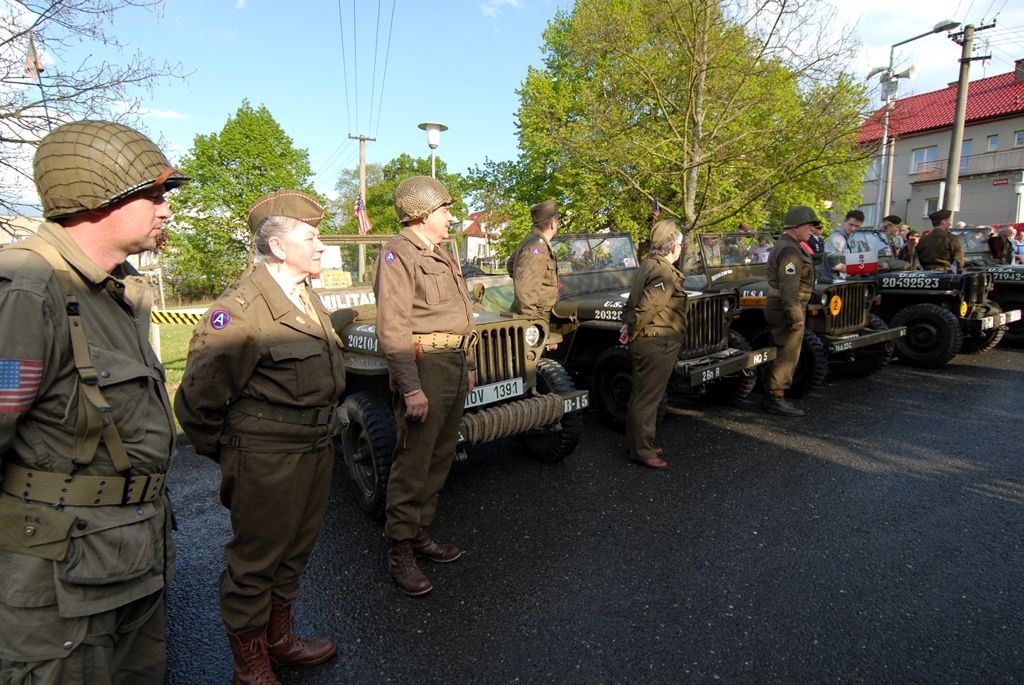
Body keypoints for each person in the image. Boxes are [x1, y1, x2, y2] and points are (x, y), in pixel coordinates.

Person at [0, 120, 188, 683]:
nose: (166, 210)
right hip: (58, 592)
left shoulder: (119, 291)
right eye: (153, 195)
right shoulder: (29, 290)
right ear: (99, 199)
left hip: (130, 559)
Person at [174, 190, 346, 683]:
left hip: (314, 447)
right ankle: (250, 664)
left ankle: (278, 639)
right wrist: (235, 454)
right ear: (276, 247)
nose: (321, 247)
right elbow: (196, 401)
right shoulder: (242, 308)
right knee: (256, 561)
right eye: (311, 238)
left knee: (295, 549)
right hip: (267, 457)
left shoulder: (302, 293)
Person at [373, 176, 477, 597]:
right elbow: (394, 327)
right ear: (421, 215)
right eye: (446, 211)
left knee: (440, 456)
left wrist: (467, 363)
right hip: (425, 366)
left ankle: (419, 533)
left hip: (451, 362)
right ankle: (401, 550)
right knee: (413, 460)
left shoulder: (441, 253)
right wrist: (411, 388)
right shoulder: (398, 254)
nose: (452, 218)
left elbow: (461, 314)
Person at [618, 220, 688, 470]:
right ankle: (642, 450)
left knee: (641, 395)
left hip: (648, 339)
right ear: (672, 247)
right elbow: (647, 307)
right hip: (657, 341)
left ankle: (636, 442)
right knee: (648, 399)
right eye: (680, 244)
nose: (681, 248)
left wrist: (628, 327)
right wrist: (633, 329)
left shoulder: (648, 265)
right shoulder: (663, 272)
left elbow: (633, 301)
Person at [762, 206, 818, 417]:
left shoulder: (791, 246)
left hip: (783, 305)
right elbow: (788, 287)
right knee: (787, 353)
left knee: (781, 349)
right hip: (787, 306)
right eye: (809, 225)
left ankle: (773, 393)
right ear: (796, 226)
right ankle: (775, 397)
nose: (812, 229)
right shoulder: (790, 250)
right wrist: (795, 316)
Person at [509, 199, 559, 318]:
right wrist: (531, 320)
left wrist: (519, 276)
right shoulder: (536, 247)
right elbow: (525, 289)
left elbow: (511, 264)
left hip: (538, 313)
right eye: (557, 220)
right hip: (534, 317)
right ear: (553, 223)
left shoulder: (532, 241)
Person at [822, 209, 864, 280]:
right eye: (851, 224)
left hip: (847, 280)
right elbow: (835, 265)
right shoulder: (836, 239)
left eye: (857, 226)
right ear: (844, 221)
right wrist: (859, 270)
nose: (853, 228)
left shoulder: (853, 239)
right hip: (835, 281)